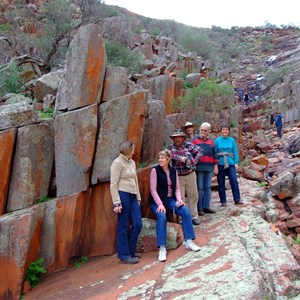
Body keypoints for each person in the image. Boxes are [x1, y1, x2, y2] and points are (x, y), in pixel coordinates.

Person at [149, 150, 201, 262]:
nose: (160, 160)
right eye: (159, 158)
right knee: (162, 217)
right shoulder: (155, 171)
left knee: (185, 211)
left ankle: (188, 241)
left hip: (170, 200)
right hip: (156, 201)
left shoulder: (173, 171)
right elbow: (153, 190)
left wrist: (179, 200)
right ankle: (162, 248)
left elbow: (177, 188)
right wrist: (160, 204)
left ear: (168, 159)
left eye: (162, 158)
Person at [110, 141, 143, 264]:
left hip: (133, 195)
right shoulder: (117, 163)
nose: (134, 152)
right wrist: (116, 202)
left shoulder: (132, 162)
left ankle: (131, 250)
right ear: (128, 150)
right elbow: (113, 183)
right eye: (132, 150)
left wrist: (138, 197)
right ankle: (124, 255)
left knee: (137, 224)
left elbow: (135, 180)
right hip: (122, 195)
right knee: (123, 226)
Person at [167, 128, 203, 226]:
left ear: (183, 138)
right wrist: (181, 158)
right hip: (178, 177)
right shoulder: (170, 147)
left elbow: (200, 151)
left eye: (179, 137)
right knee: (180, 198)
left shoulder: (188, 145)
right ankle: (182, 217)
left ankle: (194, 217)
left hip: (190, 174)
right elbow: (170, 155)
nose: (177, 139)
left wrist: (193, 162)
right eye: (175, 138)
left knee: (193, 196)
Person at [192, 122, 218, 215]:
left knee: (207, 187)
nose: (203, 132)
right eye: (202, 130)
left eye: (205, 130)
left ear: (209, 132)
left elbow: (215, 154)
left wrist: (216, 166)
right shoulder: (195, 141)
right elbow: (191, 154)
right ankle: (200, 208)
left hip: (209, 167)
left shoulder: (211, 142)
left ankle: (206, 206)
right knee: (200, 188)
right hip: (199, 168)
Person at [214, 125, 243, 206]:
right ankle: (223, 201)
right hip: (220, 163)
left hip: (230, 162)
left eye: (226, 130)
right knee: (221, 182)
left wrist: (236, 162)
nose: (225, 131)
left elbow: (235, 151)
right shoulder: (217, 141)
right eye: (223, 130)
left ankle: (237, 199)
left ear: (229, 131)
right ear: (221, 131)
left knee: (234, 180)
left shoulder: (232, 140)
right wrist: (215, 164)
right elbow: (215, 153)